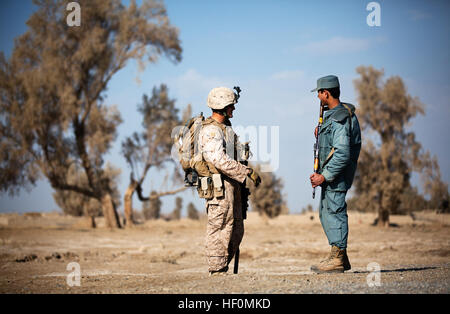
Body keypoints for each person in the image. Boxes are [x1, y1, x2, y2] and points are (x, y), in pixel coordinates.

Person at [198, 87, 261, 276]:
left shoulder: (226, 129)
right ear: (223, 107)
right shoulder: (211, 131)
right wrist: (246, 171)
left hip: (233, 185)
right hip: (220, 187)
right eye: (231, 106)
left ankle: (223, 266)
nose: (234, 109)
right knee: (219, 227)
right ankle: (216, 270)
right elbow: (218, 160)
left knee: (236, 228)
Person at [309, 75, 361, 273]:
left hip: (335, 177)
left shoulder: (340, 117)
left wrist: (324, 176)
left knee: (335, 213)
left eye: (319, 93)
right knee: (325, 213)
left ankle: (338, 258)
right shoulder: (334, 114)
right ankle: (341, 256)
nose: (318, 98)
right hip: (331, 177)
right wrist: (322, 132)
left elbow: (342, 153)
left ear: (326, 93)